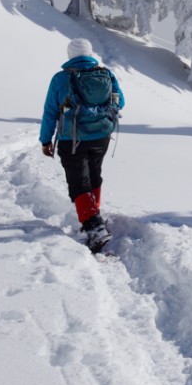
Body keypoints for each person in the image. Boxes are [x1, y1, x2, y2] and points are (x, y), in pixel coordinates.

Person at [39, 37, 125, 252]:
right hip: (102, 135)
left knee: (78, 182)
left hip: (73, 138)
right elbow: (120, 102)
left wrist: (45, 140)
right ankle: (93, 216)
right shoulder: (106, 74)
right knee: (94, 174)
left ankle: (94, 226)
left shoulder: (61, 78)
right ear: (89, 54)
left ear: (70, 56)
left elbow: (50, 111)